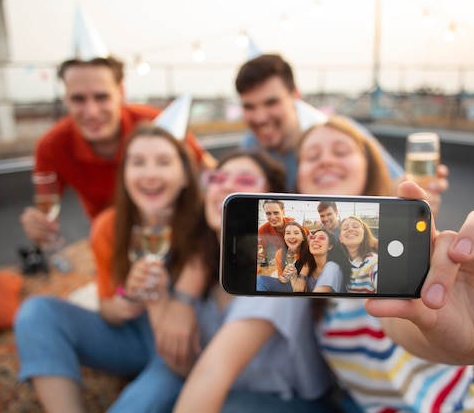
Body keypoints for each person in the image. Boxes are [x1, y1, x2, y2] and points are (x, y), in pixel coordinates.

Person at [296, 115, 474, 412]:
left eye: (341, 152)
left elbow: (404, 322)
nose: (325, 160)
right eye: (311, 156)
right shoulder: (311, 276)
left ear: (369, 166)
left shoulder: (383, 264)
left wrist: (449, 336)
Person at [14, 123, 209, 413]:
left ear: (185, 175)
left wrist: (172, 302)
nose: (150, 173)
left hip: (183, 351)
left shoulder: (206, 223)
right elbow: (106, 306)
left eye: (164, 162)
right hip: (132, 338)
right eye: (137, 162)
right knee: (36, 313)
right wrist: (123, 300)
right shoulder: (109, 226)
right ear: (124, 175)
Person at [157, 149, 336, 413]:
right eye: (218, 178)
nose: (227, 186)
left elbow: (211, 373)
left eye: (245, 181)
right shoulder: (201, 266)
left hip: (292, 402)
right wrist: (157, 297)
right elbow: (185, 365)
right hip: (236, 391)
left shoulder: (279, 268)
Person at [19, 55, 216, 248]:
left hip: (177, 232)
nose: (92, 112)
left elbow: (209, 171)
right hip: (112, 239)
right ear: (66, 99)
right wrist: (38, 223)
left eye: (101, 97)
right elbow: (45, 206)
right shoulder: (51, 146)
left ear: (121, 92)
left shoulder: (155, 123)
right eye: (78, 99)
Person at [235, 53, 428, 191]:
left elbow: (396, 183)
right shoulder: (251, 143)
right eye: (249, 107)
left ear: (295, 95)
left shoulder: (338, 131)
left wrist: (423, 190)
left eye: (272, 102)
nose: (260, 118)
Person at [257, 226, 344, 294]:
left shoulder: (332, 267)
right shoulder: (305, 264)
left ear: (330, 246)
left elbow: (315, 302)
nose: (316, 240)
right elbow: (297, 289)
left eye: (321, 238)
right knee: (260, 280)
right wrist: (293, 276)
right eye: (313, 238)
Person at [338, 216, 379, 294]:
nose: (350, 229)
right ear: (340, 239)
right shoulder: (344, 263)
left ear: (364, 233)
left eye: (356, 226)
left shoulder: (374, 262)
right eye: (345, 228)